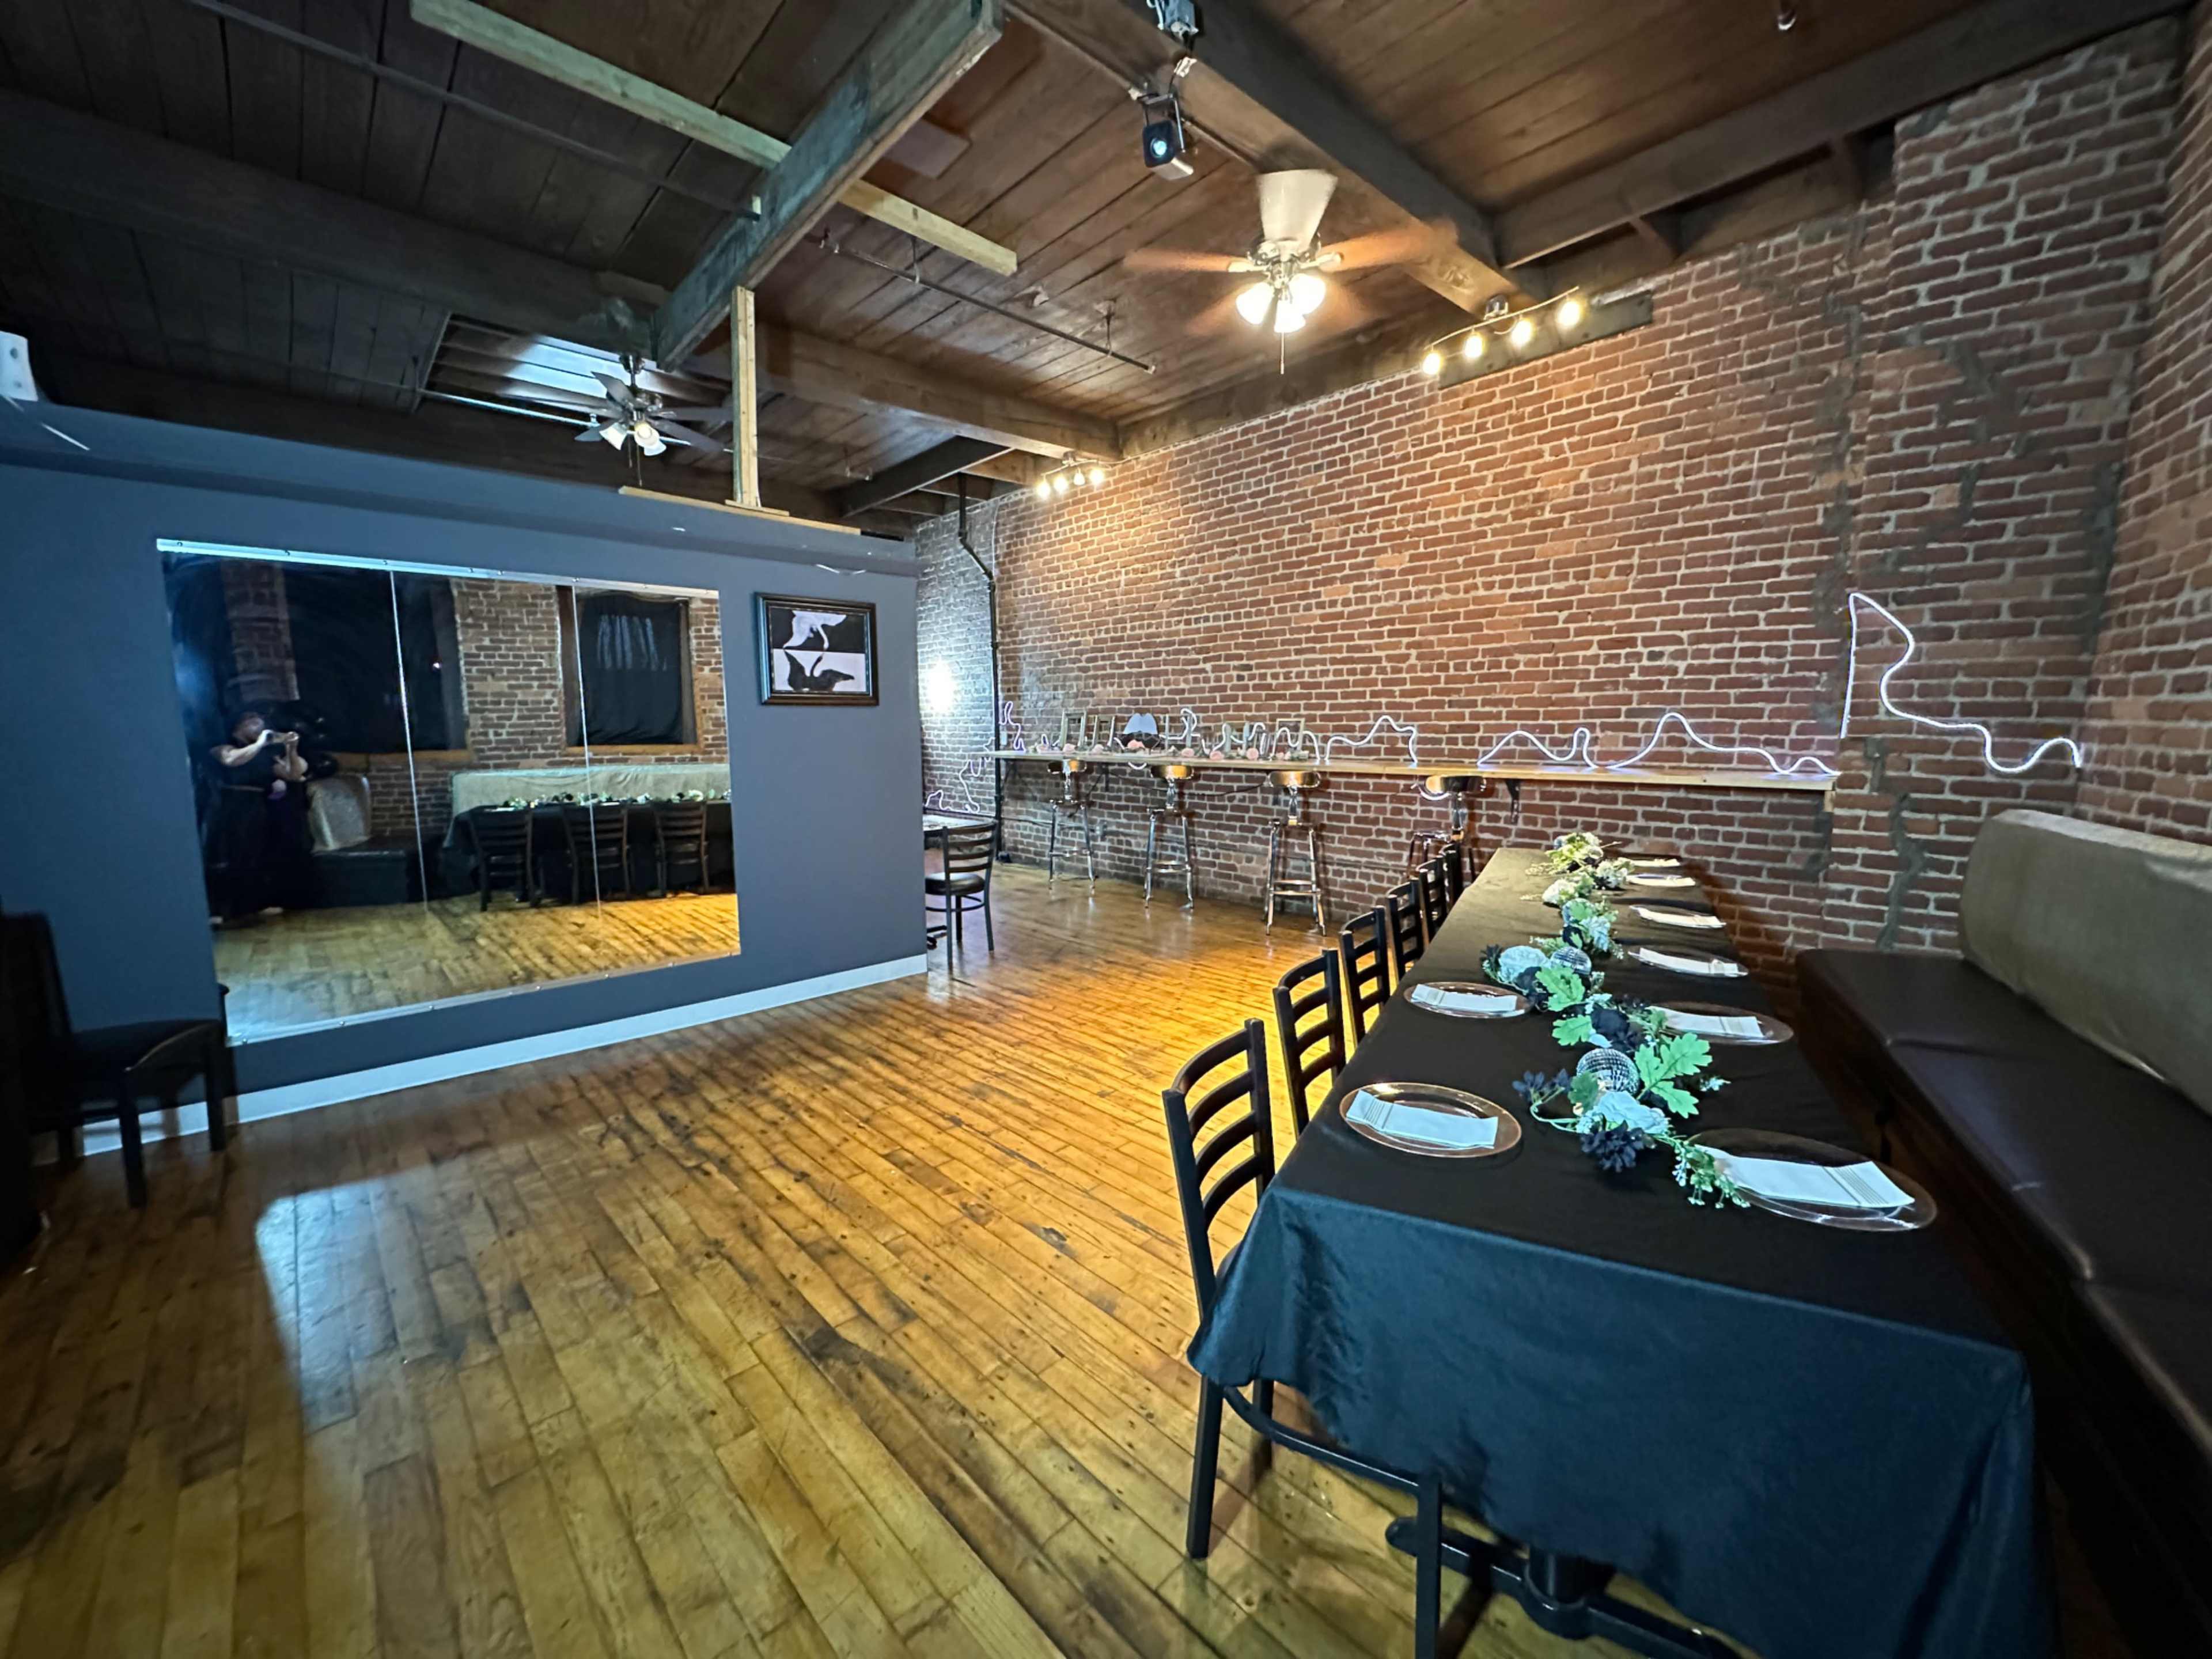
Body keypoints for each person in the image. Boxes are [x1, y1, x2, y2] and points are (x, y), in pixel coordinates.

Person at [202, 711, 312, 922]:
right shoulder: (222, 746)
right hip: (229, 805)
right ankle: (220, 909)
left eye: (261, 724)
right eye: (253, 723)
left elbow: (292, 774)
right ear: (238, 727)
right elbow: (231, 760)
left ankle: (252, 905)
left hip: (256, 805)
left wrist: (291, 749)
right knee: (229, 855)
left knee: (255, 854)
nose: (259, 727)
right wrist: (262, 742)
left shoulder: (264, 754)